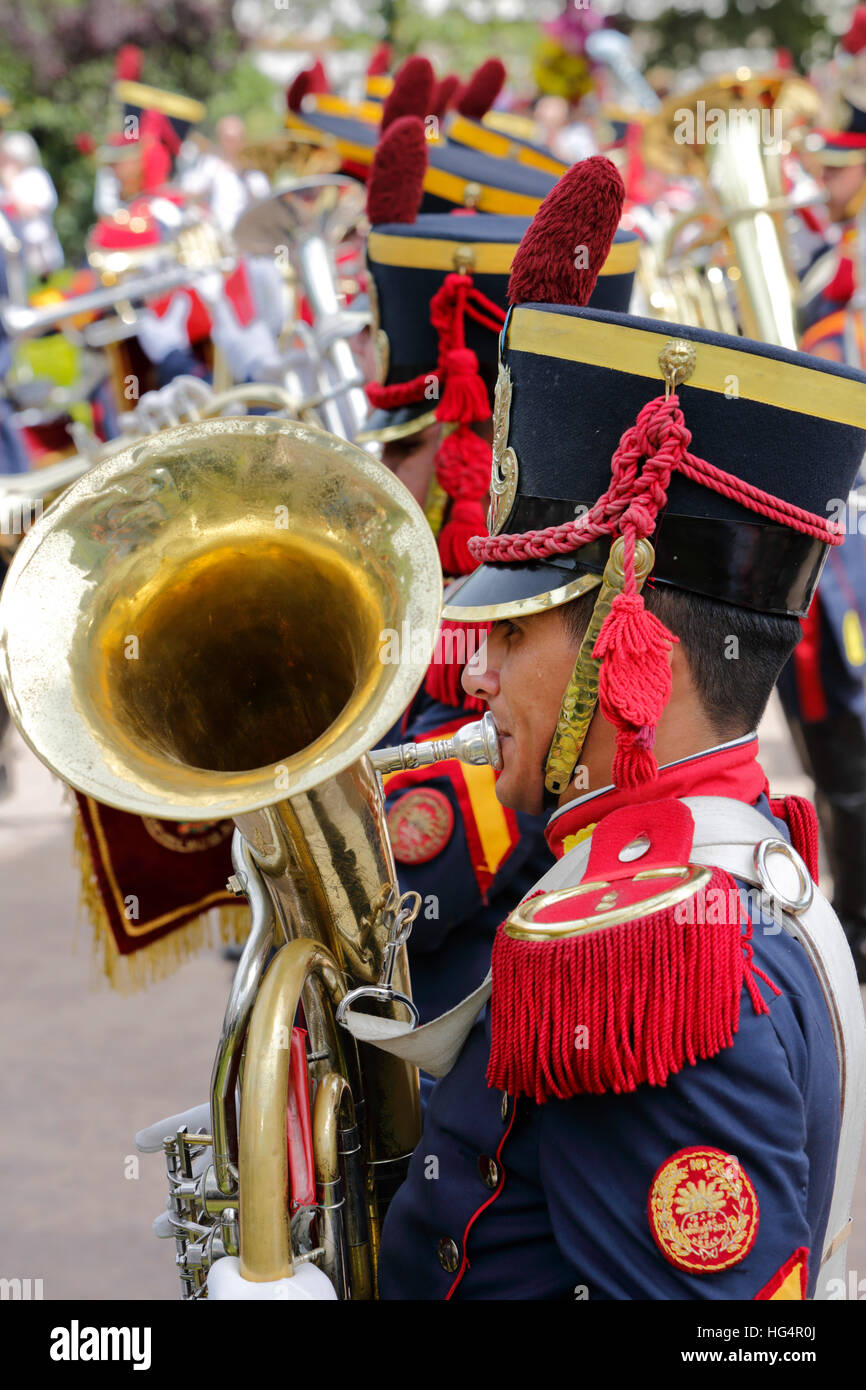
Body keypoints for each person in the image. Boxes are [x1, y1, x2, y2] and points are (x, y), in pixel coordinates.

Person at [371, 156, 866, 1300]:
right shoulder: (704, 857)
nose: (476, 674)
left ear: (615, 630)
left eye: (511, 633)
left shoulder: (647, 955)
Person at [782, 5, 866, 980]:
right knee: (836, 742)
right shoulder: (820, 260)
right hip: (835, 520)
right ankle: (851, 915)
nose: (820, 183)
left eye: (838, 169)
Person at [0, 131, 63, 280]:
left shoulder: (35, 176)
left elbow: (34, 209)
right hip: (17, 251)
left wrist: (10, 187)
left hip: (41, 248)